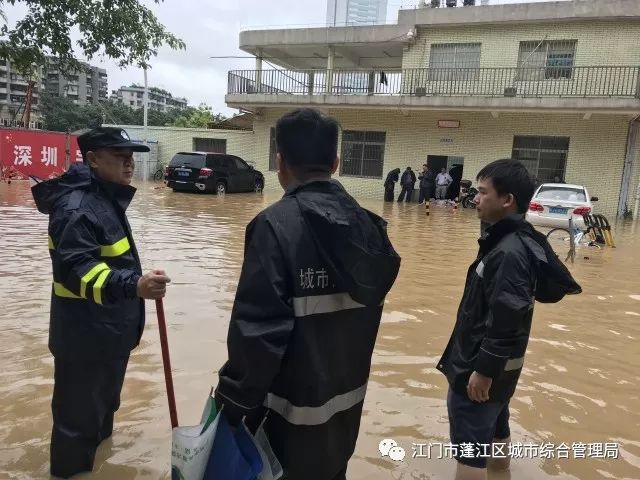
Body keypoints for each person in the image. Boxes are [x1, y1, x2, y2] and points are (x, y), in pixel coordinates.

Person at [214, 108, 401, 480]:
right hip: (344, 416)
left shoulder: (274, 226)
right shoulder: (371, 229)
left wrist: (230, 404)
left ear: (280, 162)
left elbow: (257, 333)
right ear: (335, 163)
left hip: (284, 424)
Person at [31, 127, 171, 478]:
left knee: (103, 413)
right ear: (92, 159)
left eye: (131, 156)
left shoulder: (105, 197)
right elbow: (77, 272)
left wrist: (135, 283)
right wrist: (134, 285)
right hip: (84, 340)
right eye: (120, 156)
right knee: (77, 428)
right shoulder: (76, 208)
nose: (129, 163)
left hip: (109, 334)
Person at [436, 159, 581, 480]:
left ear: (507, 200)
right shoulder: (514, 241)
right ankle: (501, 473)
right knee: (496, 430)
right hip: (503, 371)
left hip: (480, 371)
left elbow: (508, 315)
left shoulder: (508, 252)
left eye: (482, 192)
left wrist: (484, 372)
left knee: (470, 454)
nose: (475, 198)